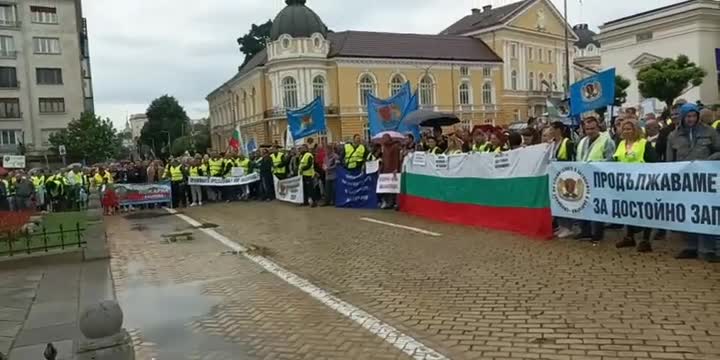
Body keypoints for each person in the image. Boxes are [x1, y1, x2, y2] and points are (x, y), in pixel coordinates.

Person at [666, 103, 720, 262]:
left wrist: (709, 160)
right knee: (687, 213)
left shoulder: (709, 132)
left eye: (694, 116)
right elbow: (670, 160)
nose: (691, 119)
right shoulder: (673, 136)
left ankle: (707, 248)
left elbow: (718, 150)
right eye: (688, 116)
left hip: (706, 180)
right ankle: (690, 246)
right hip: (684, 181)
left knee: (705, 214)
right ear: (683, 117)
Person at [613, 119, 657, 252]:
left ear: (636, 130)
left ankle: (645, 240)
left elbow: (654, 162)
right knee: (628, 210)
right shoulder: (620, 144)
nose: (626, 131)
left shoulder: (644, 144)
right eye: (624, 129)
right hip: (626, 184)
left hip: (642, 183)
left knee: (646, 212)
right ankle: (629, 237)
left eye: (629, 129)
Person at [572, 116, 616, 241]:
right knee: (583, 204)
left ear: (598, 127)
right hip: (583, 177)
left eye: (592, 128)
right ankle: (584, 230)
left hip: (599, 178)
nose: (590, 131)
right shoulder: (583, 141)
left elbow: (611, 159)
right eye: (587, 129)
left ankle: (597, 232)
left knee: (597, 206)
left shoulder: (607, 141)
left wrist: (594, 164)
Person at [380, 134, 402, 209]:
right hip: (386, 169)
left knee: (393, 187)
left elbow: (396, 158)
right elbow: (384, 158)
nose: (383, 141)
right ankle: (388, 202)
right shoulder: (385, 147)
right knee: (387, 187)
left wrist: (396, 168)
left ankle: (394, 202)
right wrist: (382, 168)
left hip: (393, 170)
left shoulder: (395, 147)